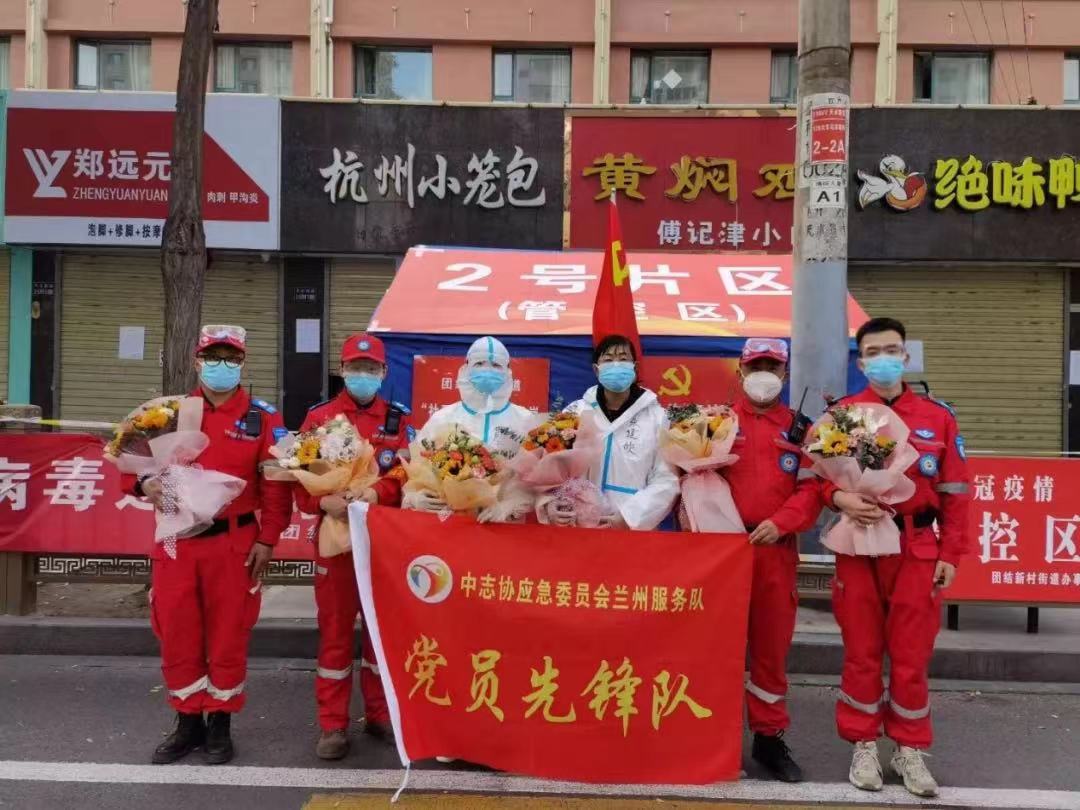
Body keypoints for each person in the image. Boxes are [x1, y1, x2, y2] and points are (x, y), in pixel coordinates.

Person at [130, 325, 292, 765]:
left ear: (243, 363)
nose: (222, 365)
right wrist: (144, 484)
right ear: (198, 361)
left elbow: (276, 485)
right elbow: (132, 465)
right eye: (213, 357)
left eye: (231, 358)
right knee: (177, 631)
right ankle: (187, 722)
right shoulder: (168, 413)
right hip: (176, 542)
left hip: (234, 543)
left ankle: (220, 721)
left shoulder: (263, 417)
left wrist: (268, 539)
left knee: (227, 634)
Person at [826, 317, 971, 798]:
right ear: (861, 361)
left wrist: (951, 553)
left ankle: (909, 748)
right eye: (872, 352)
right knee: (861, 649)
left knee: (911, 655)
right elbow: (816, 480)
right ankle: (864, 743)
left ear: (906, 356)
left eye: (891, 350)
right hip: (860, 543)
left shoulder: (937, 416)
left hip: (917, 547)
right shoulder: (844, 415)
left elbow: (956, 492)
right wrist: (838, 497)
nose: (882, 359)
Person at [294, 333, 414, 761]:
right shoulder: (320, 418)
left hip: (382, 544)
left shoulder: (399, 420)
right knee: (335, 635)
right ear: (342, 370)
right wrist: (320, 501)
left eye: (371, 368)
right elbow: (300, 478)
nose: (363, 375)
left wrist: (378, 492)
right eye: (355, 367)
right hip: (336, 542)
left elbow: (408, 475)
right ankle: (333, 724)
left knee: (381, 635)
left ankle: (380, 715)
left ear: (383, 372)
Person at [722, 338, 823, 783]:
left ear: (785, 374)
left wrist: (782, 522)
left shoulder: (804, 430)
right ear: (740, 372)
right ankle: (717, 738)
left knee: (769, 652)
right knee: (719, 650)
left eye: (772, 366)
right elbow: (694, 478)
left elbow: (813, 489)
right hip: (724, 557)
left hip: (775, 553)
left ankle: (768, 738)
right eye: (755, 365)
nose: (764, 373)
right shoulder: (718, 423)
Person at [545, 334, 678, 531]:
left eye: (623, 359)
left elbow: (666, 479)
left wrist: (629, 518)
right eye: (608, 360)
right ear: (596, 369)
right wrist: (551, 503)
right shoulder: (575, 412)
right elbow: (551, 468)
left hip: (632, 530)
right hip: (578, 525)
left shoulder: (658, 418)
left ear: (635, 367)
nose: (616, 365)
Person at [405, 335, 538, 522]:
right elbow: (418, 467)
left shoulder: (525, 419)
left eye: (496, 365)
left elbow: (537, 480)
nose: (487, 370)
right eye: (479, 363)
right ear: (466, 369)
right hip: (450, 523)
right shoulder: (443, 417)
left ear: (508, 372)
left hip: (507, 525)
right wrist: (414, 496)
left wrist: (510, 505)